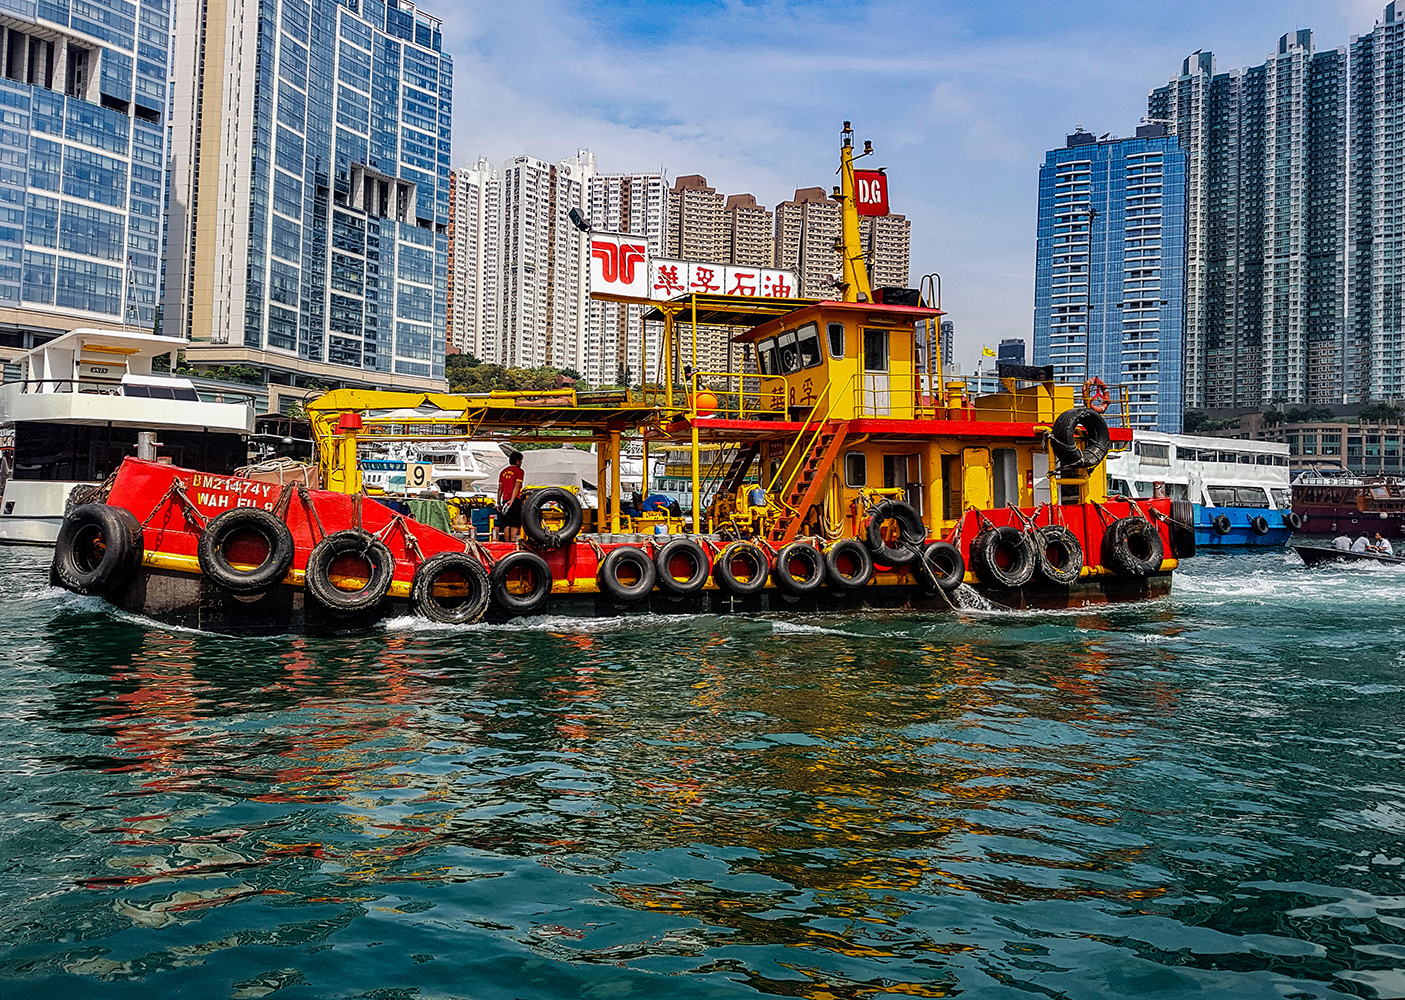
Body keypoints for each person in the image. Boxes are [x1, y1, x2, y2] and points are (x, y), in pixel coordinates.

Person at [497, 451, 524, 541]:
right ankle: (513, 543)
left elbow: (500, 489)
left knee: (506, 524)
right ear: (517, 461)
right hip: (514, 500)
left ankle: (506, 543)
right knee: (516, 524)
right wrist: (512, 500)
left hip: (505, 501)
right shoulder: (519, 471)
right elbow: (517, 487)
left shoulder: (503, 472)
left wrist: (498, 502)